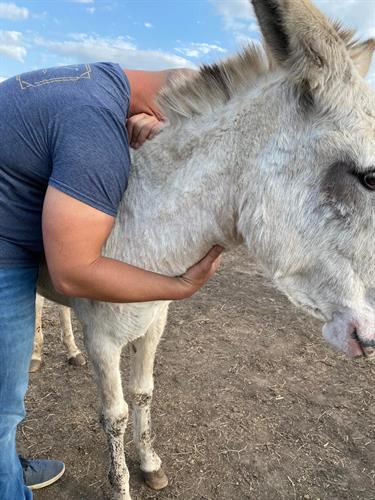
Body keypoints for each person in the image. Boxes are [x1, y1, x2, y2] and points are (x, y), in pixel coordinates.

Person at [0, 62, 223, 500]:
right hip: (4, 249)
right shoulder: (95, 126)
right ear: (171, 107)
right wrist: (178, 287)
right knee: (2, 409)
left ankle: (7, 467)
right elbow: (72, 272)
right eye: (182, 123)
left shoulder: (98, 85)